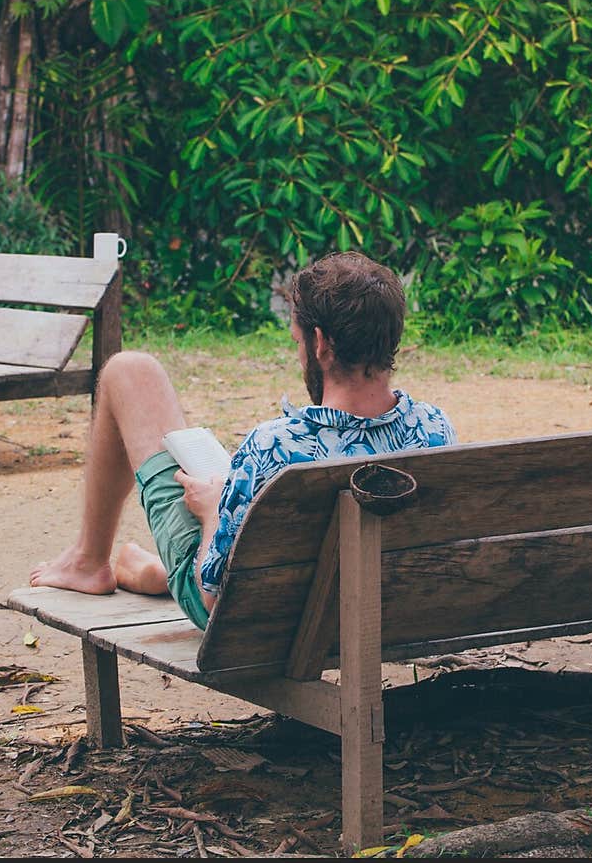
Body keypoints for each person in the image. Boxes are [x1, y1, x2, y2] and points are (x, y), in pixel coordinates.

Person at [31, 250, 456, 629]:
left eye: (298, 342)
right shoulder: (436, 429)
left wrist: (215, 510)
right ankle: (154, 572)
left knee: (130, 370)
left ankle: (88, 562)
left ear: (321, 344)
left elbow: (215, 596)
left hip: (275, 622)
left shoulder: (274, 446)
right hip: (393, 610)